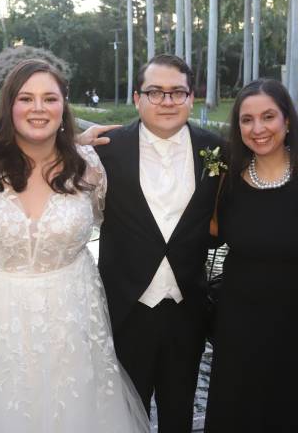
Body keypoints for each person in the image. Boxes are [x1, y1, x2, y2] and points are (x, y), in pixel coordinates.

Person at [0, 59, 149, 432]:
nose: (38, 108)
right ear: (9, 105)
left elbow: (113, 221)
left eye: (50, 98)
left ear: (64, 106)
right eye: (26, 98)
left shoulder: (89, 166)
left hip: (69, 323)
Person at [95, 54, 223, 432]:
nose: (167, 101)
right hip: (125, 308)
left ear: (190, 98)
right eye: (155, 92)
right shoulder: (106, 148)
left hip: (187, 308)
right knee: (124, 415)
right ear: (138, 98)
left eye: (176, 92)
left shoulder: (216, 151)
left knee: (179, 413)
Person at [203, 79, 298, 432]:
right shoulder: (227, 179)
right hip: (239, 328)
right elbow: (207, 232)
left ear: (287, 120)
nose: (258, 129)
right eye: (246, 119)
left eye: (268, 116)